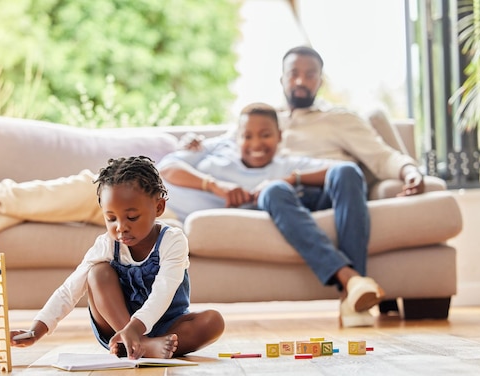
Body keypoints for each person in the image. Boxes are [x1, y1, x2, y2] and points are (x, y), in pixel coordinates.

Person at [157, 102, 384, 327]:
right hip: (254, 202)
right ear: (237, 138)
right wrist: (216, 186)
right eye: (247, 136)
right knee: (274, 191)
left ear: (279, 137)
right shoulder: (215, 158)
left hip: (292, 206)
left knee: (343, 172)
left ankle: (353, 293)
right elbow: (167, 168)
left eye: (265, 135)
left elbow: (341, 171)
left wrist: (289, 179)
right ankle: (351, 280)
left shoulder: (285, 164)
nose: (256, 143)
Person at [9, 156, 224, 359]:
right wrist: (36, 330)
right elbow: (70, 289)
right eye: (111, 218)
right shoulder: (107, 244)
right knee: (97, 273)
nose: (121, 227)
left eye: (132, 217)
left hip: (166, 324)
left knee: (213, 321)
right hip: (117, 329)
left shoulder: (173, 240)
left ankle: (143, 345)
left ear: (159, 207)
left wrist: (136, 328)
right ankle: (140, 345)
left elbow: (163, 292)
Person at [278, 45, 426, 196]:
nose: (300, 81)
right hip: (275, 196)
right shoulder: (265, 121)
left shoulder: (340, 119)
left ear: (320, 82)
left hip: (328, 195)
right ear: (282, 79)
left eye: (310, 75)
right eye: (293, 74)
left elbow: (382, 157)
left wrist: (411, 172)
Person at [0, 169, 179, 253]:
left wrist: (210, 184)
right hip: (139, 193)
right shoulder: (207, 149)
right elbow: (168, 169)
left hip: (170, 216)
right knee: (86, 186)